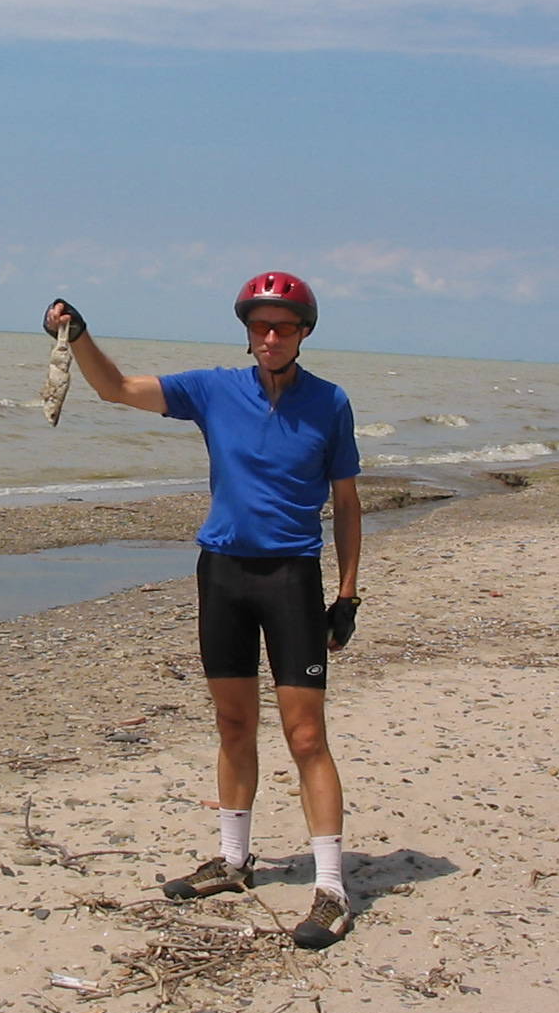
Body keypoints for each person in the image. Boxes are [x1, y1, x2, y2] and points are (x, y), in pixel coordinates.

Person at [43, 272, 362, 949]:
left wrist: (348, 594)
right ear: (247, 330)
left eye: (284, 326)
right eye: (260, 325)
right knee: (232, 721)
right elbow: (115, 389)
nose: (271, 337)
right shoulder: (214, 390)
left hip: (291, 579)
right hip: (222, 575)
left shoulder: (330, 404)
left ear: (304, 332)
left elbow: (348, 502)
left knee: (306, 736)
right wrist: (82, 335)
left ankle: (331, 888)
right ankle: (234, 859)